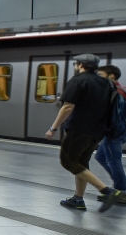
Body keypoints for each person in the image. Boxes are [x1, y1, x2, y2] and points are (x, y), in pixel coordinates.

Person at [44, 54, 123, 212]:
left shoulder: (78, 80)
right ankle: (78, 199)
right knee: (82, 163)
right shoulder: (107, 83)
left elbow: (67, 107)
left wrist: (53, 128)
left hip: (78, 129)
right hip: (98, 132)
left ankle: (107, 191)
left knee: (68, 161)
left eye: (76, 63)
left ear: (80, 65)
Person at [95, 65, 126, 204]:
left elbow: (113, 115)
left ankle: (121, 192)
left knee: (114, 160)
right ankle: (120, 188)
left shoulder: (115, 91)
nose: (98, 77)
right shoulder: (122, 89)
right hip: (119, 130)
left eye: (100, 75)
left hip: (114, 131)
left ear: (111, 76)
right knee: (100, 156)